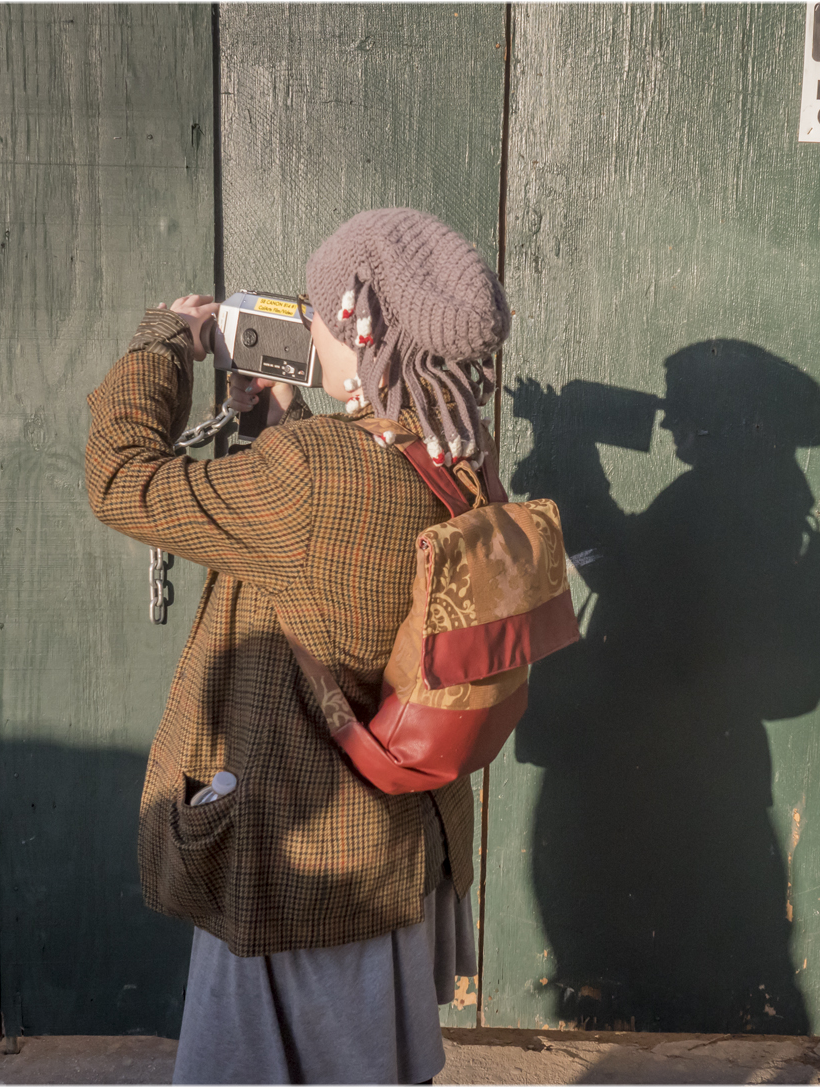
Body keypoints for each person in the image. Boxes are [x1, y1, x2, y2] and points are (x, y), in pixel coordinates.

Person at [84, 209, 510, 1084]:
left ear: (361, 329)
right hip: (398, 839)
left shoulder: (314, 472)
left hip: (302, 861)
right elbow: (332, 559)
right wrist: (283, 421)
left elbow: (122, 482)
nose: (307, 329)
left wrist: (164, 344)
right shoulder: (456, 450)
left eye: (319, 312)